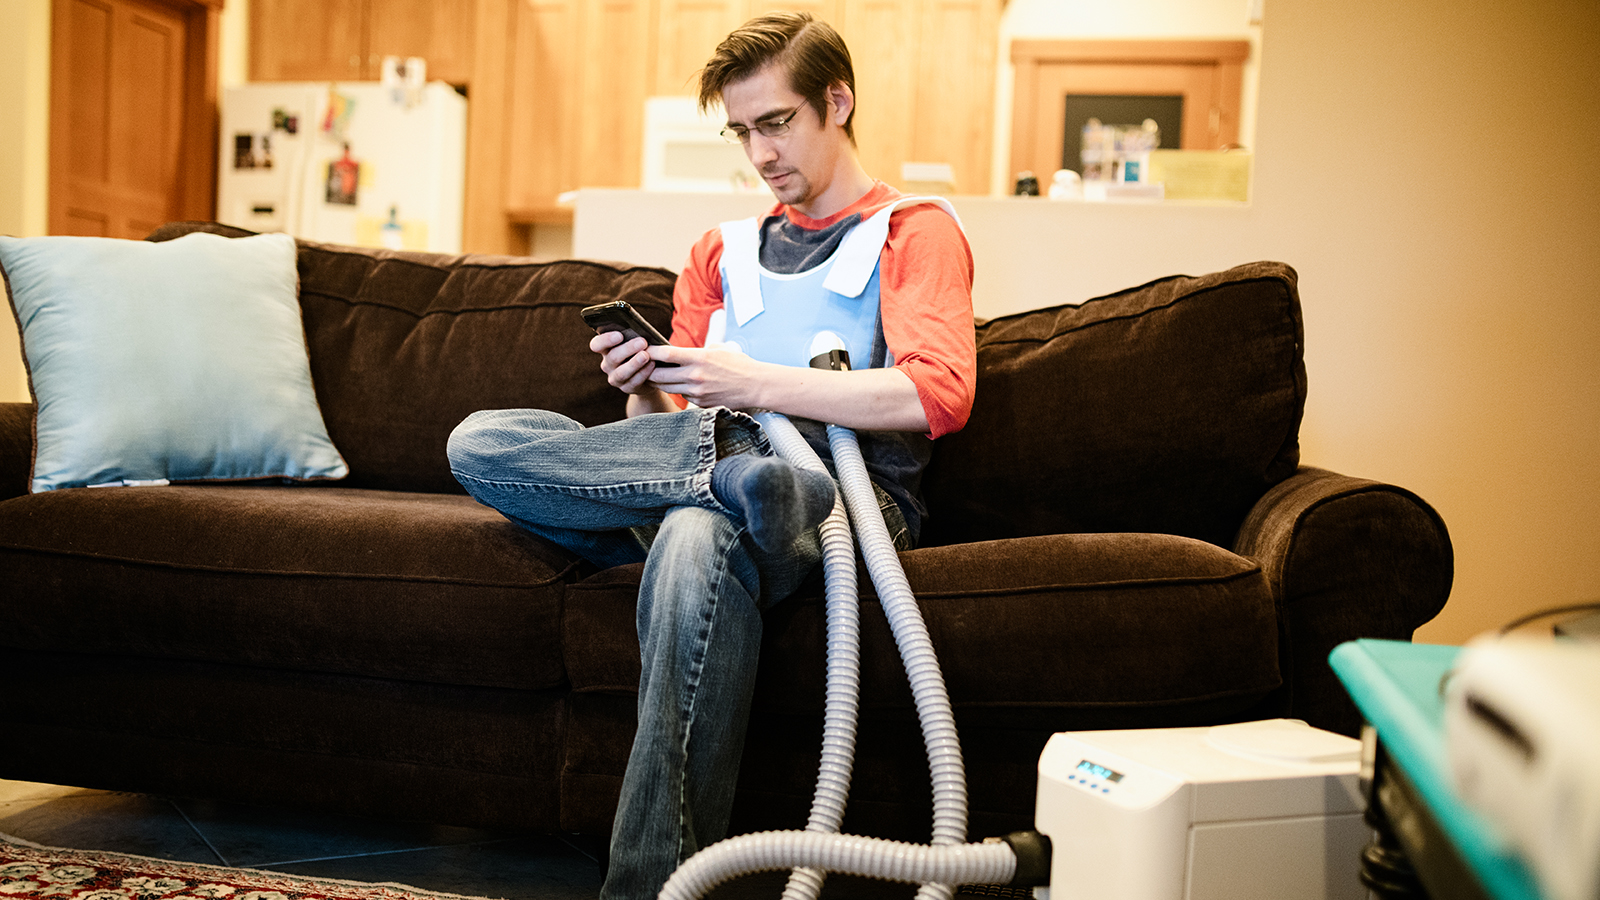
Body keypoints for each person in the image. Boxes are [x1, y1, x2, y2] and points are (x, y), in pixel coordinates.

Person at [446, 11, 975, 900]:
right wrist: (640, 387)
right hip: (717, 479)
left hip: (844, 509)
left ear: (837, 103)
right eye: (742, 131)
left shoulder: (914, 231)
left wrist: (756, 384)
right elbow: (676, 413)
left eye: (777, 123)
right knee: (484, 442)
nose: (760, 153)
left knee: (702, 524)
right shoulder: (717, 254)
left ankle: (648, 890)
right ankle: (729, 474)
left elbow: (936, 395)